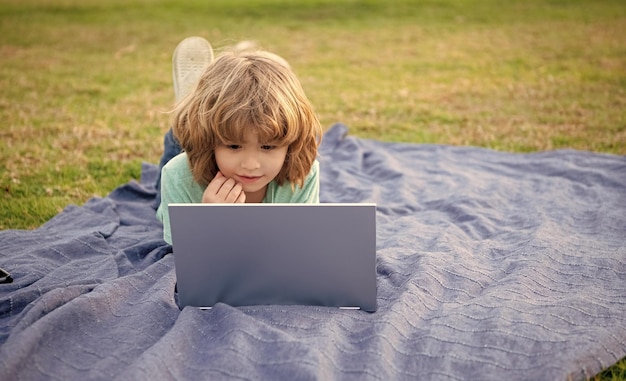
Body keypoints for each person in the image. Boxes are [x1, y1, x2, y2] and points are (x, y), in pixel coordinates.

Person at [155, 37, 323, 244]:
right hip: (198, 155)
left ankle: (197, 104)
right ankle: (189, 110)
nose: (251, 165)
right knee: (182, 139)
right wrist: (208, 220)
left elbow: (300, 242)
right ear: (212, 142)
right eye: (234, 146)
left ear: (290, 146)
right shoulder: (178, 176)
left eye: (268, 146)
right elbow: (185, 251)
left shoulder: (303, 174)